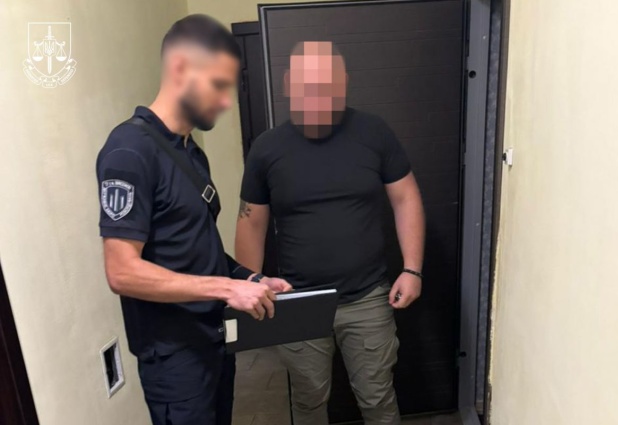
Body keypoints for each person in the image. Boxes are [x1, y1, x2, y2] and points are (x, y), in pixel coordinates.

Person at [96, 15, 291, 425]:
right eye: (218, 85)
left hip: (214, 343)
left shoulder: (190, 153)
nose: (226, 101)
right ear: (181, 68)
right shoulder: (129, 151)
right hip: (174, 362)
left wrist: (250, 278)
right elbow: (121, 272)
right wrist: (227, 289)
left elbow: (197, 247)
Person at [235, 41, 426, 425]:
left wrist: (412, 269)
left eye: (326, 87)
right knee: (308, 402)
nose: (317, 97)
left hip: (367, 298)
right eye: (307, 87)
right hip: (298, 301)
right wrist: (250, 284)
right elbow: (251, 221)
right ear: (288, 84)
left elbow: (406, 198)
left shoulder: (374, 133)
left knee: (377, 399)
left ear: (344, 84)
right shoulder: (267, 149)